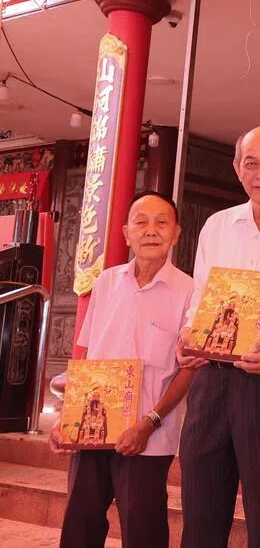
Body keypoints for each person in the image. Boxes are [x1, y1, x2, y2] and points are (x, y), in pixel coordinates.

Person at [176, 125, 260, 548]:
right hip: (210, 383)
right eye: (251, 163)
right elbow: (200, 297)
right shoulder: (216, 226)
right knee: (200, 505)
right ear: (237, 167)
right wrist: (188, 334)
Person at [52, 191, 196, 548]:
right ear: (126, 232)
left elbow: (189, 370)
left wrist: (149, 423)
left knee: (143, 529)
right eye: (141, 222)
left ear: (176, 233)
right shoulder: (105, 283)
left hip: (150, 436)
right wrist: (69, 419)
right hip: (93, 428)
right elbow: (89, 357)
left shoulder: (190, 291)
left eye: (161, 222)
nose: (151, 230)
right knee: (79, 524)